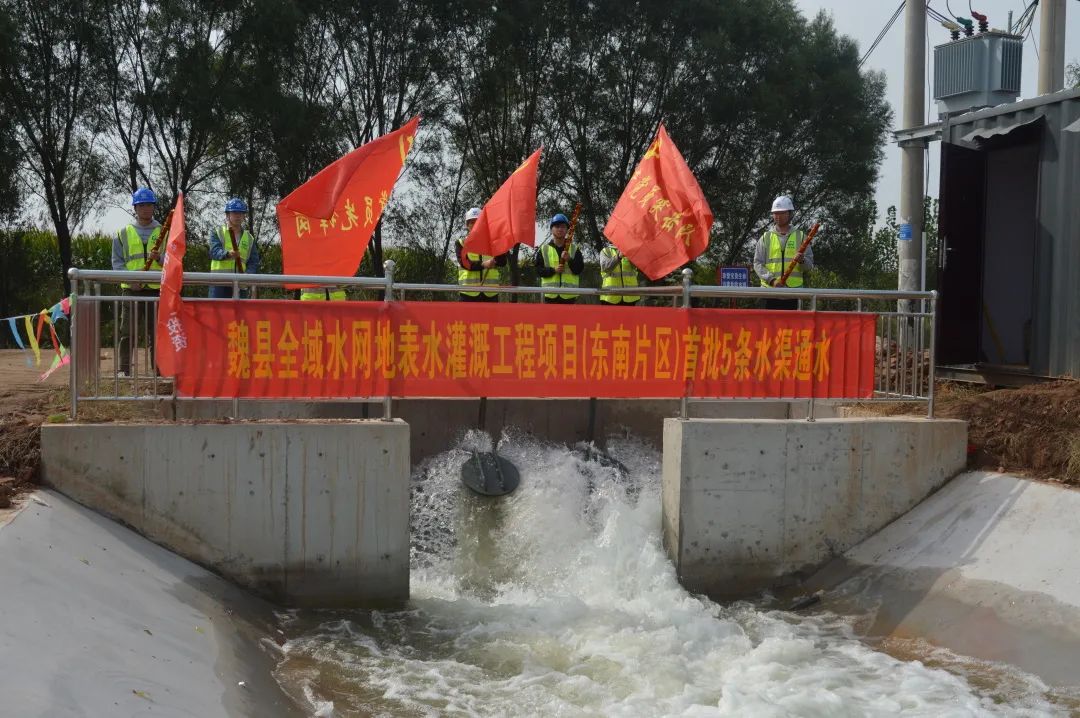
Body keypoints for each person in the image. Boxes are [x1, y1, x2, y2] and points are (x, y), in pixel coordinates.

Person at [112, 187, 163, 377]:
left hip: (156, 290)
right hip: (131, 290)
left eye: (149, 205)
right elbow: (117, 263)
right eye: (141, 205)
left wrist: (160, 258)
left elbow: (174, 260)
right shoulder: (123, 233)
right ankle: (124, 370)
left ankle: (158, 371)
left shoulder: (164, 231)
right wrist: (130, 280)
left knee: (156, 334)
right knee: (127, 332)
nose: (145, 208)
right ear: (135, 208)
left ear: (154, 207)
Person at [753, 195, 814, 310]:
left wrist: (802, 260)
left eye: (782, 213)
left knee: (791, 323)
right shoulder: (766, 237)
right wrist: (772, 280)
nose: (778, 216)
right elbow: (757, 264)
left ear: (790, 214)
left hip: (793, 294)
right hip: (768, 293)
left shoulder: (801, 236)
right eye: (775, 213)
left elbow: (809, 266)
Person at [209, 197, 260, 299]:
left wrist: (247, 276)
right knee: (218, 309)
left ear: (244, 216)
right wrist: (227, 254)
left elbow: (254, 261)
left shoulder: (249, 238)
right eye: (234, 213)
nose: (238, 216)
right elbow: (214, 251)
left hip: (240, 283)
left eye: (241, 213)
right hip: (219, 283)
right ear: (227, 215)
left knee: (240, 310)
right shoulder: (218, 232)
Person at [456, 206, 507, 302]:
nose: (475, 225)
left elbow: (502, 262)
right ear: (467, 225)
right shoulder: (461, 243)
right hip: (468, 294)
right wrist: (483, 264)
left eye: (477, 222)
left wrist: (500, 245)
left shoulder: (493, 242)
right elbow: (465, 263)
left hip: (490, 293)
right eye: (472, 222)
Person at [535, 213, 584, 304]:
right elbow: (539, 270)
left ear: (567, 230)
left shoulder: (574, 249)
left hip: (569, 296)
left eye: (563, 227)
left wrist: (569, 259)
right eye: (557, 226)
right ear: (551, 229)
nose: (560, 229)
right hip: (550, 296)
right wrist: (553, 270)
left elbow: (579, 269)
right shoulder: (544, 249)